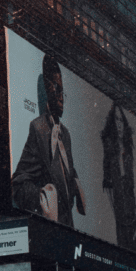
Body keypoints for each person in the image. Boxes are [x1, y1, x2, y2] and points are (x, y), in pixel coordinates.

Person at [12, 53, 86, 227]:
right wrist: (42, 199)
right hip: (50, 229)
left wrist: (75, 184)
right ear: (46, 87)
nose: (61, 97)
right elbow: (19, 184)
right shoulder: (38, 129)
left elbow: (67, 171)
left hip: (69, 228)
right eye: (57, 89)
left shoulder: (66, 134)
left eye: (63, 91)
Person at [101, 103, 136, 252]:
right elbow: (108, 186)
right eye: (116, 120)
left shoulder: (128, 154)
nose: (119, 124)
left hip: (131, 215)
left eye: (121, 120)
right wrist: (115, 215)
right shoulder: (110, 152)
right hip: (119, 216)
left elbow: (132, 189)